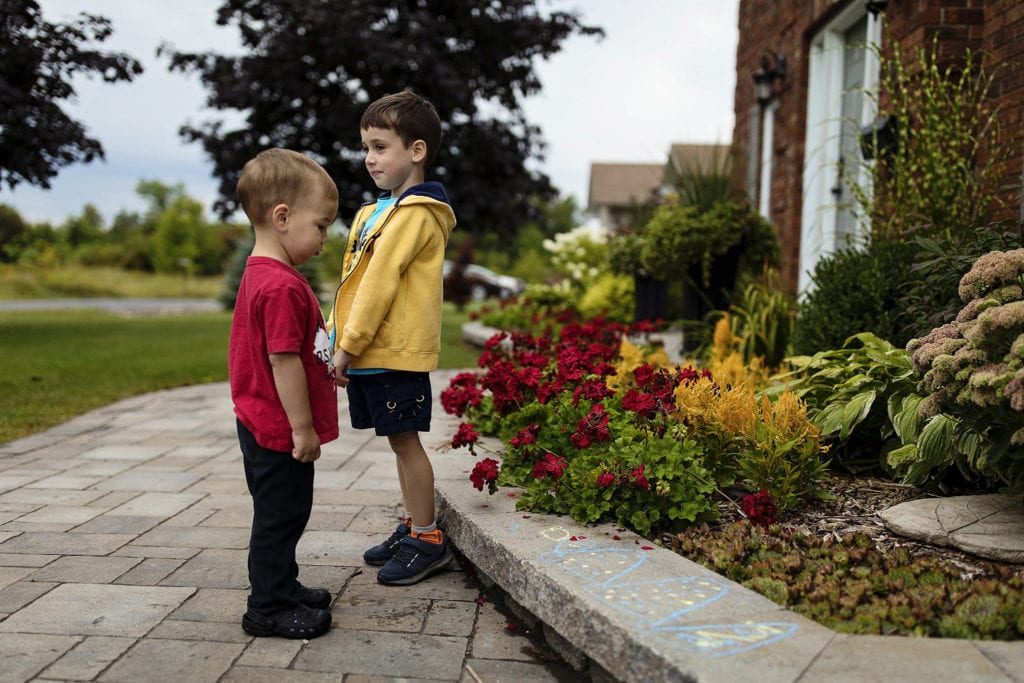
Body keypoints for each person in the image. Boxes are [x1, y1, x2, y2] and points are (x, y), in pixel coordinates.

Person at [328, 89, 456, 585]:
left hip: (396, 353)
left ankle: (428, 538)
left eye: (381, 146)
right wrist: (334, 336)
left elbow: (381, 286)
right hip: (369, 351)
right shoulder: (372, 213)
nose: (369, 158)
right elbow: (351, 282)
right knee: (395, 440)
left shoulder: (417, 214)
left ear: (416, 151)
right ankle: (413, 524)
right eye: (366, 147)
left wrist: (347, 346)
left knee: (406, 441)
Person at [230, 148, 339, 639]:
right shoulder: (279, 287)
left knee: (284, 513)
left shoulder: (264, 276)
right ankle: (267, 607)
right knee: (279, 517)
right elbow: (282, 359)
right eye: (320, 226)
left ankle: (284, 585)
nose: (324, 239)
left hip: (264, 422)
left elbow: (297, 348)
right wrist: (302, 427)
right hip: (279, 429)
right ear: (282, 217)